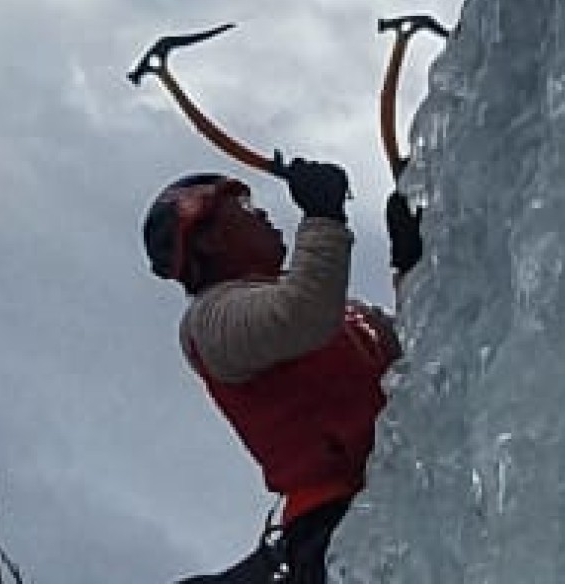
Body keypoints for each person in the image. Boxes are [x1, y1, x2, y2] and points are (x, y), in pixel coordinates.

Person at [143, 158, 423, 583]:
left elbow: (418, 357)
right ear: (211, 240)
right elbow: (303, 313)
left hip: (393, 492)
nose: (263, 214)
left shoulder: (343, 313)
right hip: (335, 527)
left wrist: (412, 267)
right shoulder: (210, 322)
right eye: (245, 209)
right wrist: (323, 217)